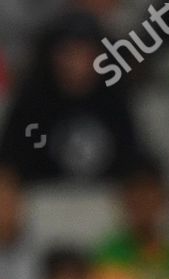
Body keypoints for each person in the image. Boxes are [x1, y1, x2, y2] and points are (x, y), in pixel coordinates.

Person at [0, 14, 147, 184]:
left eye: (85, 53)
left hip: (104, 203)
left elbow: (133, 162)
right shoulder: (32, 104)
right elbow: (9, 165)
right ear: (51, 56)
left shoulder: (115, 101)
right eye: (68, 53)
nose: (76, 63)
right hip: (43, 202)